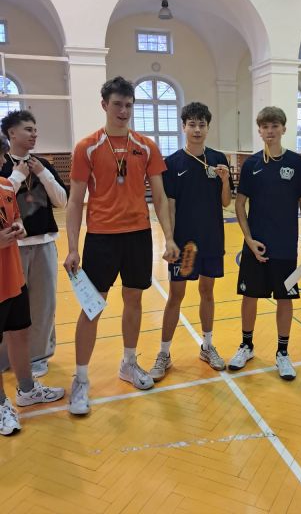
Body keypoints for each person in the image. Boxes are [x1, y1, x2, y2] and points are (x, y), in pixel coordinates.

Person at [64, 76, 179, 416]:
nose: (124, 111)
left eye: (129, 105)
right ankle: (81, 379)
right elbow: (74, 202)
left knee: (134, 299)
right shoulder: (87, 147)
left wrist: (169, 237)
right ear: (104, 105)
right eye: (117, 104)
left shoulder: (146, 146)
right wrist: (73, 247)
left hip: (138, 235)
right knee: (92, 307)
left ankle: (128, 362)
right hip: (101, 237)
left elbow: (160, 196)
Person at [228, 106, 301, 381]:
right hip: (256, 246)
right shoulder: (251, 164)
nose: (270, 131)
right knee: (249, 296)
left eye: (275, 126)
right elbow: (239, 204)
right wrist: (248, 239)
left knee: (285, 298)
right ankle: (246, 346)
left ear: (284, 129)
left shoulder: (296, 163)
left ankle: (283, 353)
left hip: (285, 247)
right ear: (260, 130)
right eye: (265, 126)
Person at [149, 102, 232, 380]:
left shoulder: (218, 159)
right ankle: (164, 353)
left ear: (208, 127)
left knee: (207, 292)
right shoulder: (172, 163)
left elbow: (226, 202)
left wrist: (225, 180)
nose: (197, 129)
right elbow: (169, 206)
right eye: (192, 124)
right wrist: (169, 240)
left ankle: (207, 347)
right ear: (183, 127)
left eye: (202, 124)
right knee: (176, 296)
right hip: (185, 246)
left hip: (212, 240)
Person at [0, 134, 64, 436]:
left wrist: (18, 227)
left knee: (19, 332)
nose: (3, 162)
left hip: (12, 275)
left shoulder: (5, 187)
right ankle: (1, 404)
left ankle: (26, 389)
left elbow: (15, 217)